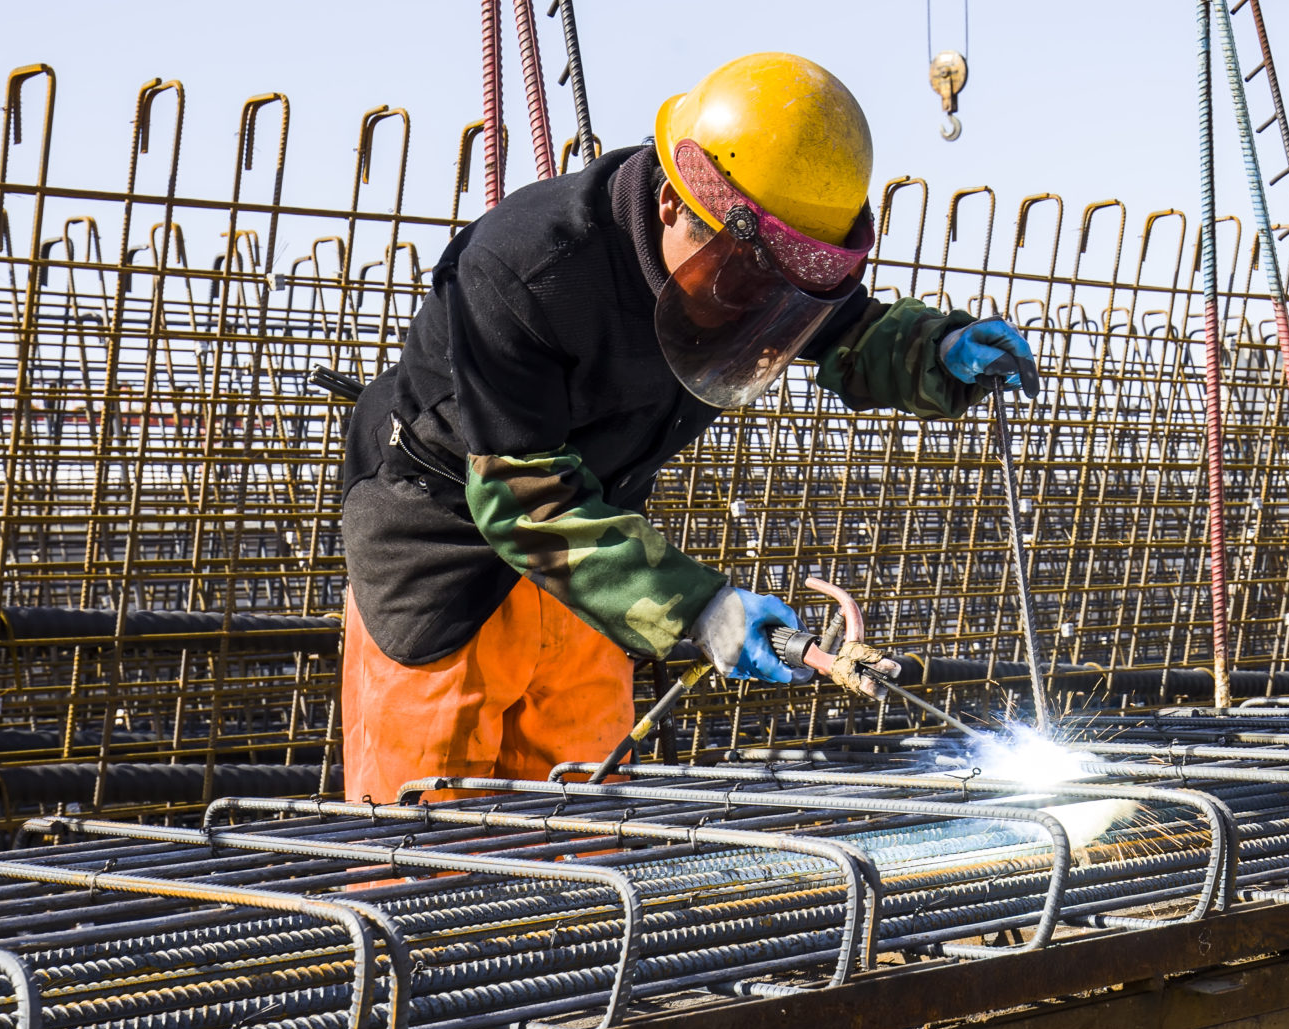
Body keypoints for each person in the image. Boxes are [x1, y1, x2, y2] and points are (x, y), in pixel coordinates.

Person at [335, 51, 1038, 801]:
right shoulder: (522, 268)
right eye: (746, 282)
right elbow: (523, 494)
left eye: (785, 294)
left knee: (585, 834)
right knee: (417, 849)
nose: (758, 311)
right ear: (674, 203)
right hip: (444, 560)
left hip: (597, 567)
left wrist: (936, 350)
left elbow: (843, 331)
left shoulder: (754, 272)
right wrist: (702, 608)